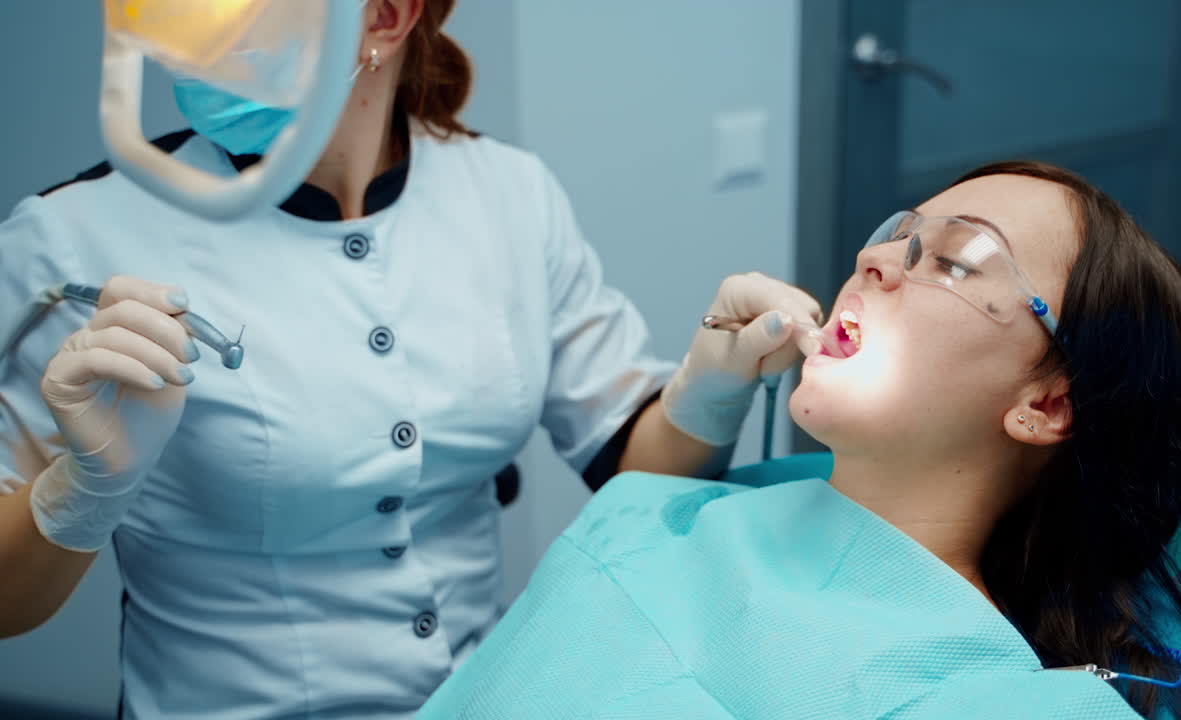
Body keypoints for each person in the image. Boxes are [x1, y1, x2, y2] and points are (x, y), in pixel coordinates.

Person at [0, 1, 821, 716]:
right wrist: (83, 486)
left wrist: (708, 387)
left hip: (485, 699)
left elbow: (634, 466)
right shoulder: (74, 239)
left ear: (384, 18)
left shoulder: (508, 194)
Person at [413, 162, 1181, 719]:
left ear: (1047, 406)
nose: (876, 261)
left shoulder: (1008, 702)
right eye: (897, 235)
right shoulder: (674, 508)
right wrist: (698, 396)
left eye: (957, 259)